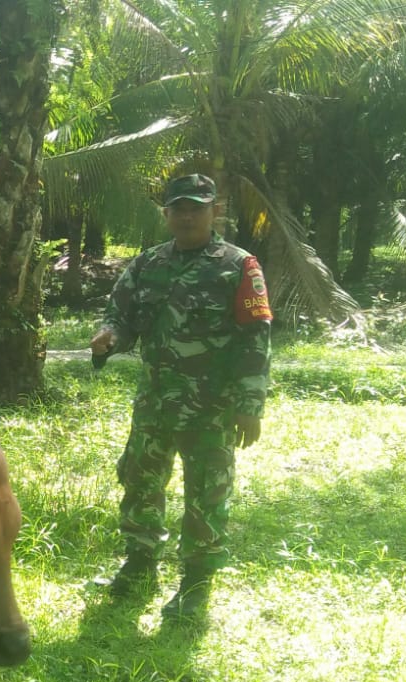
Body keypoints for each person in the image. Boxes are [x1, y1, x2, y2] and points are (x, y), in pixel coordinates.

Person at [89, 173, 273, 620]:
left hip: (212, 406)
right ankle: (139, 564)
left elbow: (256, 337)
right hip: (155, 402)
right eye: (180, 208)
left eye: (198, 207)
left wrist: (250, 404)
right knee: (140, 482)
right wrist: (109, 336)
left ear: (214, 211)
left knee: (206, 492)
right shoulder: (147, 264)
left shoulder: (239, 265)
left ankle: (195, 583)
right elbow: (123, 316)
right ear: (166, 214)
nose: (188, 216)